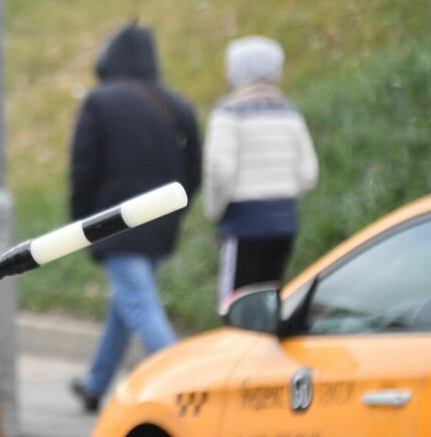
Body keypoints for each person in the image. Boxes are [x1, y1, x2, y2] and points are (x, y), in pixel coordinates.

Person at [68, 22, 201, 413]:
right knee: (127, 302)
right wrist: (176, 210)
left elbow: (83, 169)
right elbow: (194, 171)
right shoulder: (177, 104)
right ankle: (96, 384)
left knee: (139, 305)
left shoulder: (99, 102)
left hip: (115, 222)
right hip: (161, 222)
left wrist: (82, 225)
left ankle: (188, 386)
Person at [204, 36, 318, 309]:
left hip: (243, 222)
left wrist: (215, 210)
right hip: (284, 221)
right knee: (269, 301)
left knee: (236, 303)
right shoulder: (290, 113)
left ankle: (237, 350)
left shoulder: (228, 114)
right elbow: (308, 173)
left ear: (237, 72)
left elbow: (220, 171)